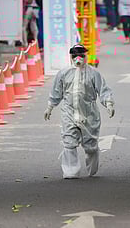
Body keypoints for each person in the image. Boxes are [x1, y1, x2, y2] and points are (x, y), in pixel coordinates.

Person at [44, 44, 115, 179]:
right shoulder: (63, 73)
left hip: (89, 114)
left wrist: (109, 103)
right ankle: (71, 171)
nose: (78, 59)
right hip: (69, 112)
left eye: (82, 56)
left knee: (91, 146)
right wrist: (50, 107)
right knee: (69, 143)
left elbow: (103, 90)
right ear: (70, 57)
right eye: (75, 56)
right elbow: (56, 92)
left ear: (86, 56)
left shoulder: (94, 73)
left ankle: (92, 168)